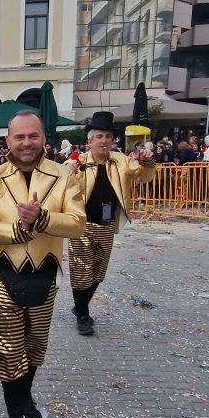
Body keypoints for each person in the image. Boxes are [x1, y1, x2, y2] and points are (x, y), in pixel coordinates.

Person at [0, 111, 85, 418]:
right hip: (4, 274)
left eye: (32, 136)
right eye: (18, 137)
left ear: (43, 138)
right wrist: (19, 229)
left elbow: (78, 225)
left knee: (35, 347)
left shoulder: (63, 175)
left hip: (45, 274)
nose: (26, 143)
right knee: (10, 349)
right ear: (7, 141)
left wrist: (44, 218)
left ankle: (25, 396)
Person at [67, 111, 156, 336]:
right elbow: (62, 185)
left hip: (107, 225)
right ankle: (83, 314)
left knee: (98, 273)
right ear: (90, 141)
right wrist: (68, 173)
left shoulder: (122, 162)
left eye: (108, 136)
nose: (104, 140)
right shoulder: (76, 163)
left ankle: (79, 306)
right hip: (82, 226)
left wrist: (148, 160)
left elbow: (143, 175)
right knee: (81, 271)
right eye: (99, 136)